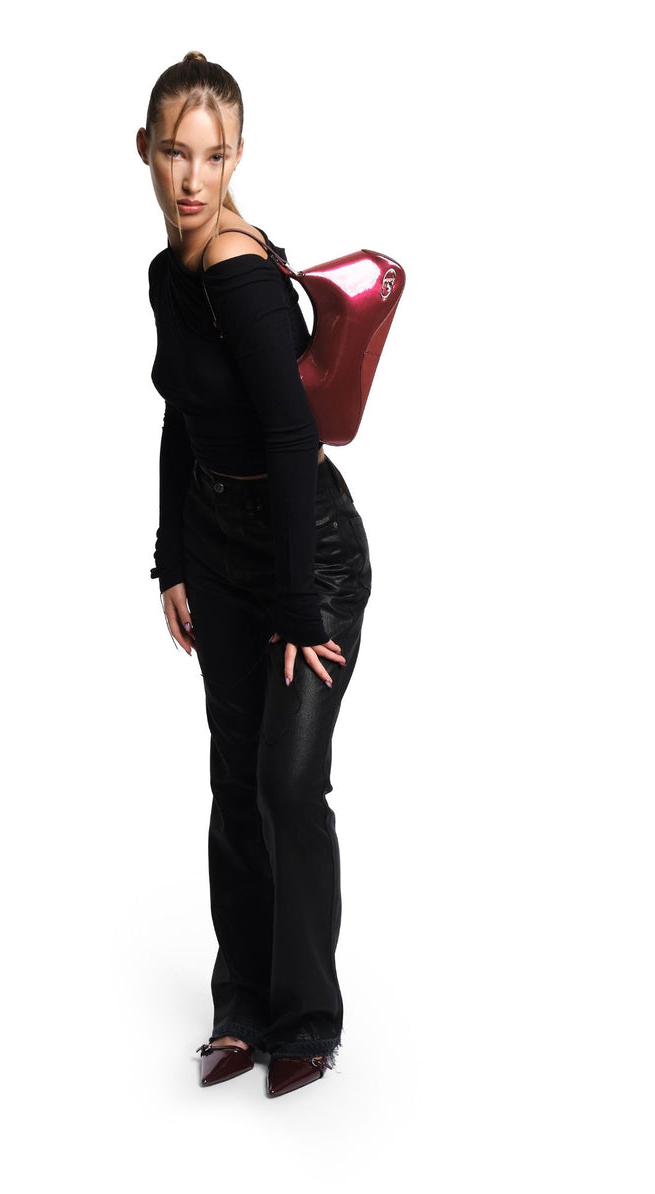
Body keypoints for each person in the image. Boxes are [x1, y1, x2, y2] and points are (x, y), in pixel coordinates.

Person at [137, 51, 372, 1099]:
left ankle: (306, 1018)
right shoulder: (165, 273)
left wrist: (296, 603)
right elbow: (182, 414)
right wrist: (171, 558)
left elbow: (287, 440)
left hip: (303, 551)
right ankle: (243, 1008)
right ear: (145, 151)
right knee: (236, 777)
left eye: (214, 156)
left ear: (237, 158)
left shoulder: (236, 272)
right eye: (176, 154)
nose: (193, 178)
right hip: (220, 550)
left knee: (287, 781)